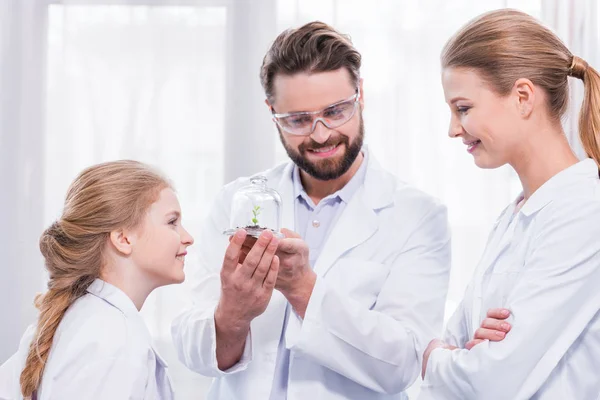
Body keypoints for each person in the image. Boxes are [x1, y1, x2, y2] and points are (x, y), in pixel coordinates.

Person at [172, 21, 451, 399]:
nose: (320, 135)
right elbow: (191, 345)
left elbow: (402, 365)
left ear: (361, 95)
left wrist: (303, 287)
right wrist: (233, 315)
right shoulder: (237, 202)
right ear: (272, 112)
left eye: (336, 112)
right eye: (299, 120)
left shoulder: (418, 217)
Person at [419, 9, 600, 400]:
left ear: (522, 97)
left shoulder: (585, 212)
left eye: (463, 108)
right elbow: (462, 343)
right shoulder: (514, 217)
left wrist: (435, 358)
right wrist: (462, 355)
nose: (453, 129)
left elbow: (490, 381)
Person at [0, 160, 194, 399]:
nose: (188, 237)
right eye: (172, 222)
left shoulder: (81, 321)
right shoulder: (113, 341)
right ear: (123, 238)